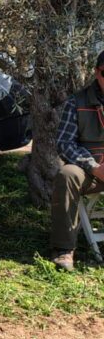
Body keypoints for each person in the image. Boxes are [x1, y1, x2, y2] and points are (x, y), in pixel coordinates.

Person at [49, 50, 104, 271]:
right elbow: (65, 143)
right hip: (89, 169)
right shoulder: (77, 101)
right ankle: (64, 249)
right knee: (67, 174)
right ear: (96, 72)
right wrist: (94, 167)